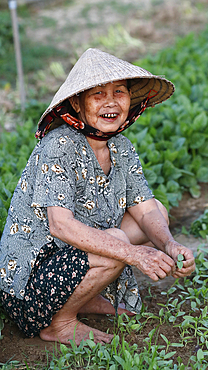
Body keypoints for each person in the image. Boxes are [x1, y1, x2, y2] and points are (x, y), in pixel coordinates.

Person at [0, 48, 195, 345]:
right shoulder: (60, 145)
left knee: (158, 213)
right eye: (98, 95)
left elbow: (145, 209)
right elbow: (60, 226)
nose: (111, 102)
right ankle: (59, 323)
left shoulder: (121, 147)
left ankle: (85, 297)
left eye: (119, 92)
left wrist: (169, 244)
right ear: (77, 104)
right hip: (27, 286)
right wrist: (135, 254)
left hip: (64, 262)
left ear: (131, 100)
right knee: (118, 242)